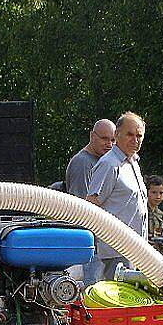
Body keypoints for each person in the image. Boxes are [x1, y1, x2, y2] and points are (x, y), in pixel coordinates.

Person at [87, 112, 148, 281]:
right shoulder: (109, 164)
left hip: (136, 250)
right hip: (115, 253)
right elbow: (92, 205)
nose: (135, 140)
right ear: (116, 135)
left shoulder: (133, 163)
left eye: (139, 135)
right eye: (129, 134)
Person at [65, 119, 115, 285]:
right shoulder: (83, 163)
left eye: (113, 140)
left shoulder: (103, 162)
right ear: (92, 136)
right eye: (104, 139)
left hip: (101, 242)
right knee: (93, 290)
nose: (109, 144)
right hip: (90, 244)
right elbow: (83, 209)